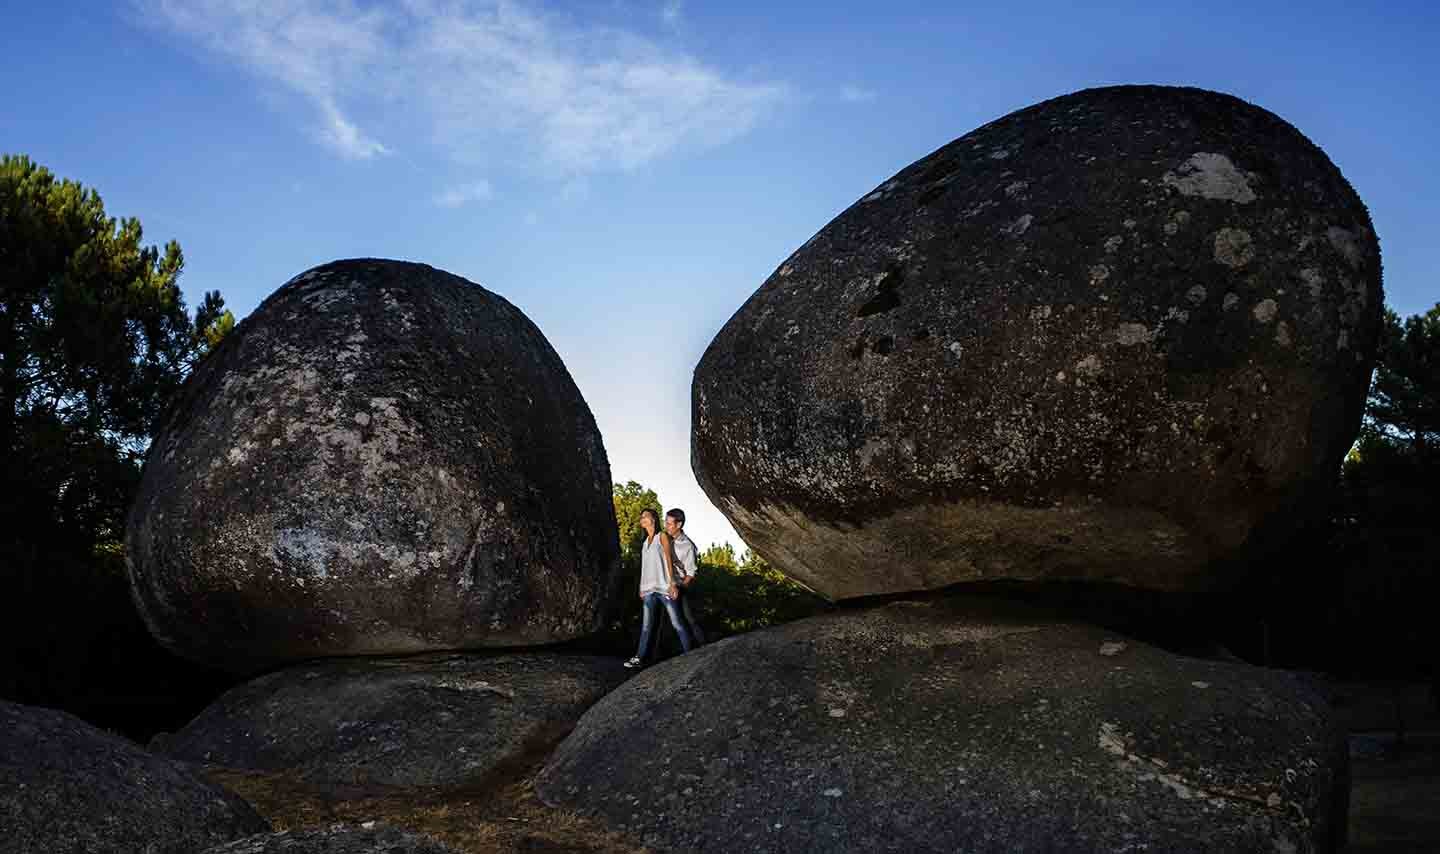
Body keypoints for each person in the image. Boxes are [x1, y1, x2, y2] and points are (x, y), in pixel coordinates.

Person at [624, 508, 692, 668]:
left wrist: (672, 583)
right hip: (648, 591)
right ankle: (639, 658)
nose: (642, 519)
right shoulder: (644, 544)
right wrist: (641, 588)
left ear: (653, 519)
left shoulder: (661, 537)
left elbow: (668, 559)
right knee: (646, 626)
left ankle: (690, 654)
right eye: (641, 517)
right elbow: (644, 567)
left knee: (677, 623)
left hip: (664, 588)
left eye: (645, 516)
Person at [664, 508, 706, 646]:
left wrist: (679, 589)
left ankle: (702, 649)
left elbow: (691, 573)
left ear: (679, 525)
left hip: (680, 587)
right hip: (663, 584)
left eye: (669, 523)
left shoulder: (688, 546)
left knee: (689, 620)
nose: (666, 526)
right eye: (666, 522)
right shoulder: (665, 539)